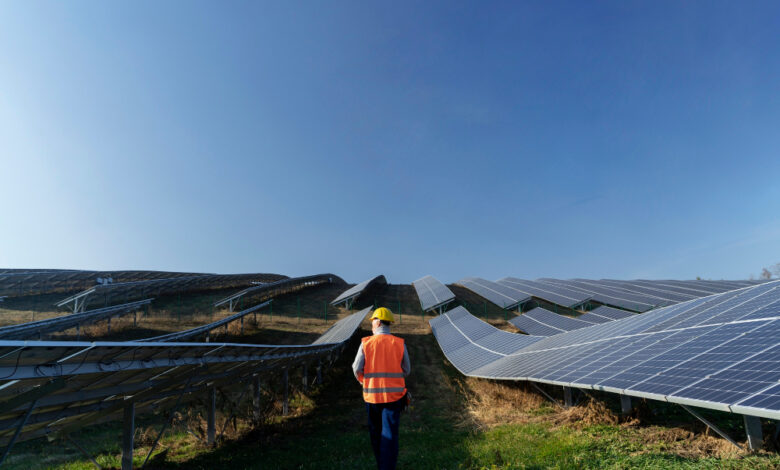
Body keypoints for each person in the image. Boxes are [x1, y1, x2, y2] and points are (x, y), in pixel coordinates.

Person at [352, 307, 410, 470]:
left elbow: (356, 368)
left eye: (372, 322)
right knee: (390, 435)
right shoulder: (399, 343)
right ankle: (387, 467)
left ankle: (381, 465)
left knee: (376, 434)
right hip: (394, 398)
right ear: (389, 324)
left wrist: (364, 381)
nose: (371, 326)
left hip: (372, 398)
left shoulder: (366, 343)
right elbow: (407, 369)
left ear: (377, 323)